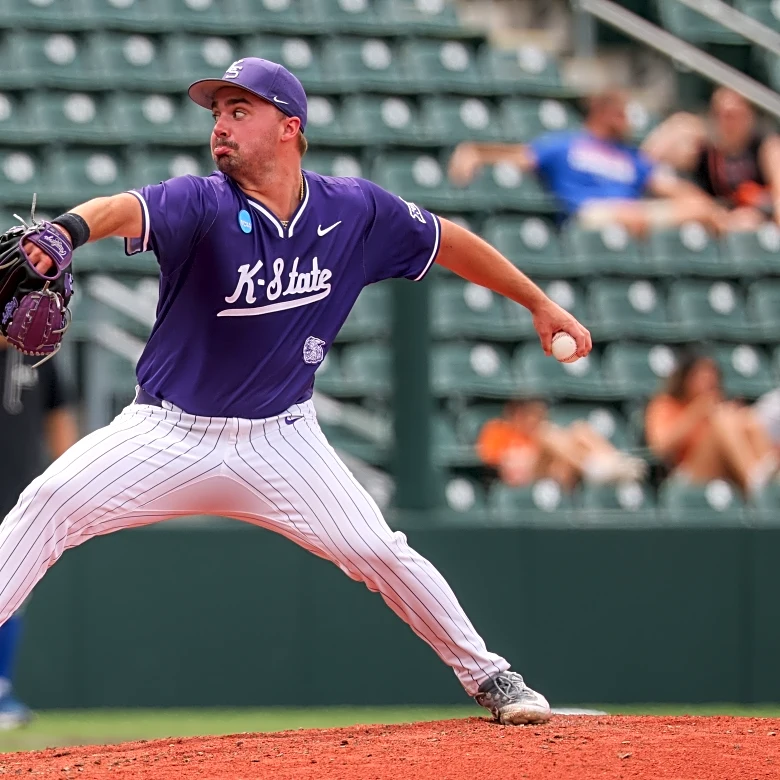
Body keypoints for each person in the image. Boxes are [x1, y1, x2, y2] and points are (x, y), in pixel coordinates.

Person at [0, 57, 592, 726]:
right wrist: (70, 231)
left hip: (282, 439)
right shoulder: (200, 202)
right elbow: (122, 208)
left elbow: (448, 242)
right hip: (166, 433)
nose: (219, 126)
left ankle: (493, 678)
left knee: (376, 550)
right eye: (217, 113)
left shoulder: (354, 210)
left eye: (238, 112)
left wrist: (538, 302)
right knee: (46, 502)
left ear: (289, 126)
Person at [448, 88, 720, 236]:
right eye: (621, 115)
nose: (627, 122)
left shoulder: (631, 157)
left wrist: (714, 210)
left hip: (635, 215)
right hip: (589, 216)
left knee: (698, 209)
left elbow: (671, 188)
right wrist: (475, 152)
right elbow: (520, 157)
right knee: (629, 215)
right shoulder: (566, 144)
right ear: (602, 113)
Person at [0, 337, 78, 727]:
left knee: (12, 596)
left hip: (18, 495)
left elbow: (59, 418)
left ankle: (0, 693)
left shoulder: (38, 353)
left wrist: (73, 486)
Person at [642, 87, 780, 231]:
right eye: (721, 115)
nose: (728, 123)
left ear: (749, 116)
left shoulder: (766, 145)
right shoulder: (705, 147)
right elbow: (648, 161)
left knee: (746, 221)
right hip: (712, 214)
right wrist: (684, 123)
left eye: (734, 115)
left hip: (757, 218)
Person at [645, 352, 778, 495]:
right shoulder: (665, 404)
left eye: (712, 375)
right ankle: (757, 484)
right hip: (684, 476)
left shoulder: (718, 404)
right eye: (702, 376)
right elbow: (660, 448)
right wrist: (696, 412)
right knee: (724, 420)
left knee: (746, 418)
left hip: (723, 472)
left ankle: (769, 477)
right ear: (686, 378)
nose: (709, 381)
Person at [477, 398, 646, 492]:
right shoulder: (498, 430)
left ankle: (613, 463)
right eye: (531, 415)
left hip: (553, 475)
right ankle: (597, 468)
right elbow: (494, 463)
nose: (535, 420)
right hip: (522, 479)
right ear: (517, 413)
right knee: (547, 434)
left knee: (580, 430)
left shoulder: (534, 433)